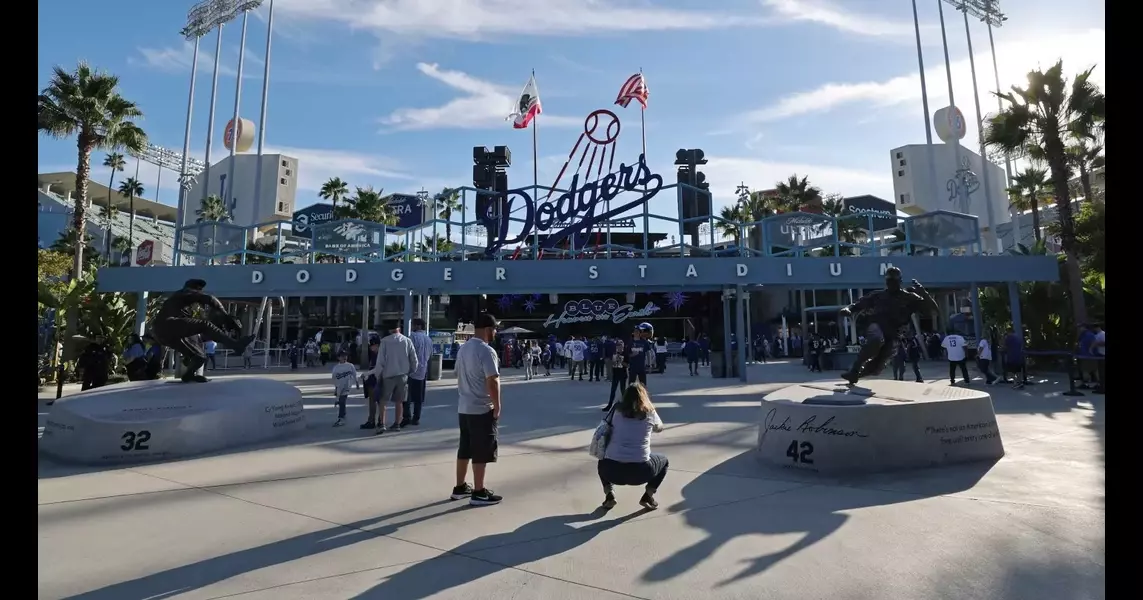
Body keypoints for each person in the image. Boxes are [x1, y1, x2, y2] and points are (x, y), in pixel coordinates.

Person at [837, 267, 939, 386]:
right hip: (877, 326)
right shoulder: (878, 295)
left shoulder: (910, 298)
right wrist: (847, 309)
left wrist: (924, 294)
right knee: (876, 339)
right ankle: (855, 368)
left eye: (894, 281)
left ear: (900, 281)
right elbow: (856, 305)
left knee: (877, 367)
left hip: (893, 334)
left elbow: (934, 311)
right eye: (889, 281)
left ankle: (855, 375)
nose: (891, 284)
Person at [150, 279, 254, 383]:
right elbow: (210, 298)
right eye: (198, 289)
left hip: (166, 333)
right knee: (204, 325)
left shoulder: (184, 306)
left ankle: (189, 374)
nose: (200, 291)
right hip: (166, 324)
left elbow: (194, 327)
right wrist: (225, 315)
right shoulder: (185, 293)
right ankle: (236, 345)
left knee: (200, 356)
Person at [452, 313, 503, 507]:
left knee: (465, 448)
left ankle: (460, 487)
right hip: (481, 408)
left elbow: (457, 373)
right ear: (489, 329)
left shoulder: (463, 349)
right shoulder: (486, 351)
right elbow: (493, 380)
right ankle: (479, 492)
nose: (496, 332)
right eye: (495, 328)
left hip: (463, 407)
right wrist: (497, 406)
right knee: (481, 450)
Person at [597, 383, 668, 510]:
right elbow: (660, 428)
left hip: (612, 471)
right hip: (641, 472)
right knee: (664, 461)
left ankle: (609, 494)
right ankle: (648, 495)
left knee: (602, 459)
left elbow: (605, 424)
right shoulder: (649, 411)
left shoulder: (616, 409)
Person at [362, 320, 419, 434]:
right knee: (399, 401)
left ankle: (382, 424)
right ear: (399, 329)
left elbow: (380, 362)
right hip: (403, 375)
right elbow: (414, 360)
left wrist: (378, 375)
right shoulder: (407, 341)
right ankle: (397, 424)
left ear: (389, 330)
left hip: (388, 375)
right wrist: (410, 372)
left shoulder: (385, 342)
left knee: (383, 400)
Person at [403, 318, 433, 427]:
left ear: (418, 326)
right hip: (423, 370)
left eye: (414, 325)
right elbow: (430, 355)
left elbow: (407, 353)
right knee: (419, 397)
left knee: (406, 396)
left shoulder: (413, 337)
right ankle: (416, 418)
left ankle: (406, 416)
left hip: (411, 371)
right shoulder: (428, 339)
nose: (413, 327)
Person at [331, 350, 360, 427]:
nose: (344, 357)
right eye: (342, 356)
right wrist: (336, 388)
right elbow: (334, 378)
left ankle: (341, 418)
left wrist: (357, 383)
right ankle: (343, 415)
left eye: (345, 355)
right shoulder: (336, 368)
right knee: (341, 401)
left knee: (342, 401)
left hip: (347, 387)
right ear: (338, 358)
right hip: (340, 387)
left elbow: (354, 374)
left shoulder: (350, 365)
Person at [360, 337, 381, 429]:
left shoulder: (380, 355)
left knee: (379, 401)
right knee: (372, 401)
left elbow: (378, 369)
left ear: (377, 345)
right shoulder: (373, 354)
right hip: (372, 380)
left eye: (372, 346)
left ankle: (379, 420)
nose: (371, 348)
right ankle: (372, 420)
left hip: (379, 379)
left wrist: (367, 373)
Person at [626, 323, 654, 388]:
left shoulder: (644, 342)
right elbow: (627, 354)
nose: (636, 333)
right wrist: (632, 355)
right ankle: (630, 397)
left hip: (641, 367)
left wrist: (650, 365)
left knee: (643, 385)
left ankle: (644, 397)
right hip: (633, 367)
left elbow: (648, 354)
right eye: (635, 331)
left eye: (638, 331)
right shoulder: (630, 342)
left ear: (640, 333)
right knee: (631, 385)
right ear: (633, 333)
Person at [605, 339, 628, 411]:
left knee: (623, 390)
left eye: (620, 346)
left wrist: (621, 360)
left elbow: (627, 365)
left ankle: (626, 405)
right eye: (618, 346)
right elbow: (612, 364)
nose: (619, 348)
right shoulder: (614, 354)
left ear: (623, 346)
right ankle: (609, 405)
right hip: (615, 374)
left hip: (623, 374)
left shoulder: (625, 354)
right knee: (613, 390)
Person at [1091, 323, 1105, 394]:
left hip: (1103, 355)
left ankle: (1103, 388)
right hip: (1099, 355)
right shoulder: (1097, 335)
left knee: (1102, 372)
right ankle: (1101, 385)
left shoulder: (1102, 334)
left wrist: (1096, 344)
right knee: (1100, 372)